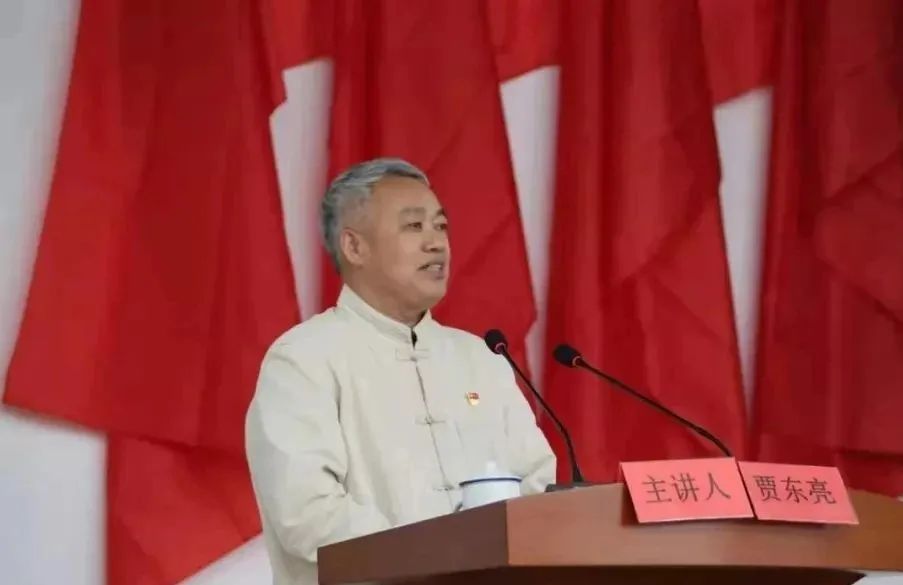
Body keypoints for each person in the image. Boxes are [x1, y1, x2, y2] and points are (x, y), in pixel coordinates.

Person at [245, 158, 555, 585]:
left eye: (441, 226)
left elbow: (538, 484)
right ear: (354, 247)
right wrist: (442, 557)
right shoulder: (303, 360)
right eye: (413, 226)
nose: (436, 243)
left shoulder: (479, 357)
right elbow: (308, 515)